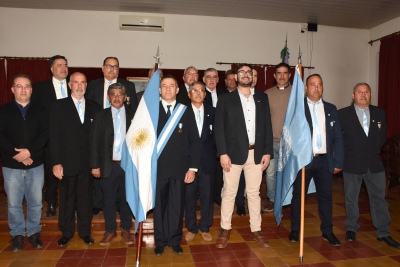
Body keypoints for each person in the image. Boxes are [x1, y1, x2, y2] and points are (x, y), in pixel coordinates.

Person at [215, 64, 273, 248]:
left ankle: (256, 230)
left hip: (256, 154)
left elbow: (267, 127)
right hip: (232, 155)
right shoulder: (225, 99)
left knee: (254, 194)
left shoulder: (262, 98)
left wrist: (267, 152)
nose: (246, 75)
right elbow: (219, 129)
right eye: (242, 72)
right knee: (229, 193)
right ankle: (225, 229)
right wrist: (222, 153)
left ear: (253, 77)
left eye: (249, 73)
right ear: (236, 76)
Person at [338, 83, 400, 248]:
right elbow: (339, 140)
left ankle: (383, 232)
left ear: (370, 95)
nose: (363, 95)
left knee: (379, 199)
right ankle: (351, 228)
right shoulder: (343, 114)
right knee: (351, 198)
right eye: (359, 92)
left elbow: (381, 139)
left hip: (374, 163)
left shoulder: (379, 113)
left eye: (366, 92)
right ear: (353, 95)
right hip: (352, 163)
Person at [289, 74, 343, 246]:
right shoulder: (298, 108)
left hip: (324, 160)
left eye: (319, 84)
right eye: (312, 84)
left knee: (326, 197)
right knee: (298, 197)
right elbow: (290, 135)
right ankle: (296, 229)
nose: (316, 88)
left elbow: (338, 138)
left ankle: (327, 231)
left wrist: (338, 161)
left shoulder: (331, 108)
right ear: (306, 88)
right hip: (304, 160)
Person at [49, 72, 101, 247]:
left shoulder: (95, 107)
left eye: (83, 82)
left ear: (87, 85)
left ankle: (85, 233)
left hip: (88, 164)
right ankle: (67, 232)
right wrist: (56, 162)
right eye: (76, 82)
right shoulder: (58, 106)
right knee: (67, 200)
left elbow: (97, 139)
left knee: (86, 200)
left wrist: (96, 163)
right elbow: (54, 138)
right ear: (70, 85)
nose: (79, 85)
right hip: (66, 163)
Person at [154, 75, 201, 256]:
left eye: (171, 86)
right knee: (159, 207)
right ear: (159, 90)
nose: (167, 89)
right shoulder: (151, 110)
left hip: (180, 169)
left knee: (176, 206)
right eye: (164, 86)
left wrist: (193, 168)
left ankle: (174, 240)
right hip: (158, 169)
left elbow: (194, 142)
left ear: (177, 89)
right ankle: (160, 241)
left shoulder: (185, 111)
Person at [0, 74, 48, 252]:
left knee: (35, 202)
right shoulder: (3, 111)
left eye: (27, 86)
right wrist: (18, 155)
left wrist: (30, 152)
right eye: (19, 86)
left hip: (36, 165)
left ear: (31, 90)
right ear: (12, 89)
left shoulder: (42, 110)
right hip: (11, 165)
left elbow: (45, 134)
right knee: (14, 203)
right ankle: (17, 234)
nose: (23, 89)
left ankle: (34, 233)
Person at [85, 56, 138, 215]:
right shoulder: (93, 86)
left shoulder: (128, 88)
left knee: (124, 196)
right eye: (108, 66)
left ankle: (125, 226)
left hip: (125, 157)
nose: (112, 69)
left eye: (115, 66)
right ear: (103, 68)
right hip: (102, 141)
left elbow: (134, 113)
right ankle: (99, 208)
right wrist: (95, 164)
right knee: (105, 192)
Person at [89, 83, 136, 246]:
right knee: (108, 200)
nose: (117, 97)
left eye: (120, 94)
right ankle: (110, 231)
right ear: (108, 97)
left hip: (128, 166)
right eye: (113, 94)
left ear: (125, 97)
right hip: (108, 165)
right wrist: (95, 165)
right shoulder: (100, 115)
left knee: (126, 200)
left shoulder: (134, 116)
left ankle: (126, 230)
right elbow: (94, 142)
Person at [32, 55, 69, 217]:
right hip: (48, 140)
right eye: (59, 65)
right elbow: (36, 115)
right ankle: (52, 203)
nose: (63, 68)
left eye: (66, 65)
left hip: (70, 140)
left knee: (69, 174)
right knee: (51, 175)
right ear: (51, 69)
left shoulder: (73, 86)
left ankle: (70, 204)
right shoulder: (40, 88)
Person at [184, 81, 216, 242]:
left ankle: (205, 226)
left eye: (201, 91)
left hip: (208, 162)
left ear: (205, 94)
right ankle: (191, 227)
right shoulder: (181, 112)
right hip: (188, 164)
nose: (197, 93)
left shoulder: (213, 111)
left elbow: (218, 138)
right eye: (194, 90)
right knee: (189, 197)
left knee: (207, 196)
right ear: (189, 94)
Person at [263, 63, 292, 213]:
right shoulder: (267, 94)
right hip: (272, 141)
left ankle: (288, 200)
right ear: (274, 76)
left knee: (289, 173)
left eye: (284, 73)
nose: (281, 76)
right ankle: (273, 200)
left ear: (289, 75)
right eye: (279, 73)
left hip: (290, 143)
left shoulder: (296, 93)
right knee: (271, 174)